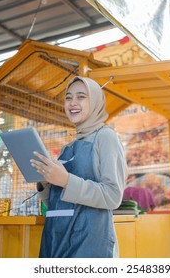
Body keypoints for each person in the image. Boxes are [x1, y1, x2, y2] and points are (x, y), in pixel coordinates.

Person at [30, 76, 127, 258]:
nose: (73, 103)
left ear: (96, 102)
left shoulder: (106, 137)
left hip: (91, 245)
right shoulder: (68, 148)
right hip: (57, 241)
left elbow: (113, 196)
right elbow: (56, 203)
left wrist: (66, 181)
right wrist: (46, 183)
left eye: (81, 97)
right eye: (68, 97)